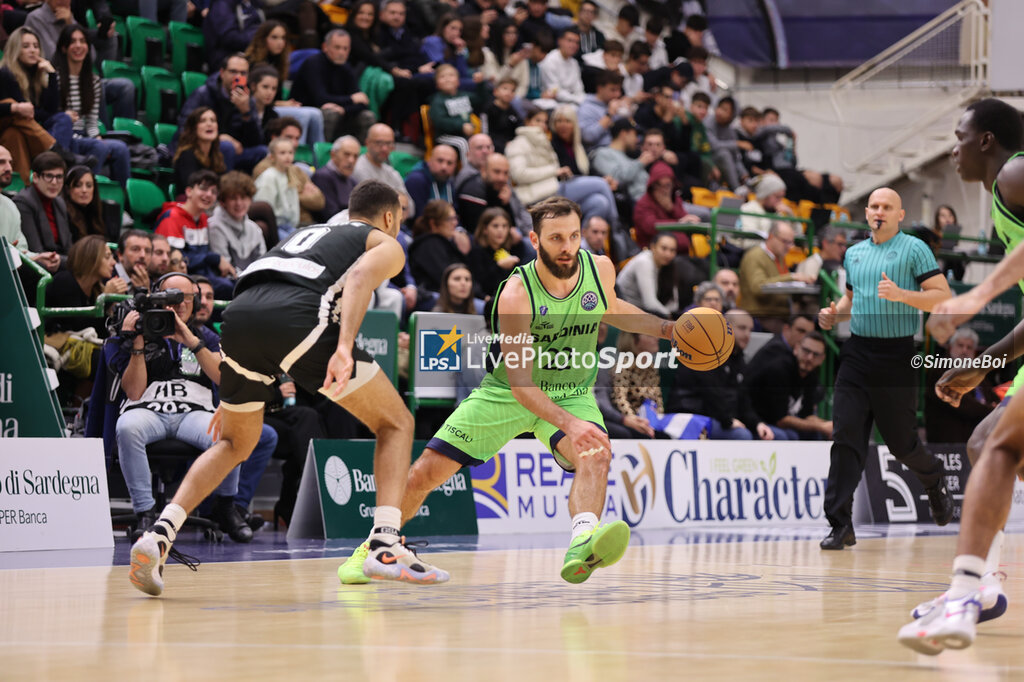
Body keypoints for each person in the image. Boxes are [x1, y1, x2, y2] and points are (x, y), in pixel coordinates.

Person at [129, 180, 450, 597]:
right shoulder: (386, 243)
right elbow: (357, 282)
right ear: (390, 216)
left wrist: (233, 379)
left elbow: (255, 295)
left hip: (240, 320)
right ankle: (386, 544)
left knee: (233, 443)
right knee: (396, 423)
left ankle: (157, 536)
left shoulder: (300, 236)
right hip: (299, 315)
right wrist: (345, 347)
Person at [337, 196, 680, 585]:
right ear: (534, 239)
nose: (567, 247)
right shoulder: (516, 294)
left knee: (597, 452)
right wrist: (570, 424)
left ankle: (583, 541)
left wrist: (668, 329)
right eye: (556, 239)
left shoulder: (598, 268)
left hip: (570, 390)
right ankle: (372, 548)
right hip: (507, 392)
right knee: (423, 476)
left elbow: (611, 306)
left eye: (574, 236)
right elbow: (521, 387)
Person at [898, 98, 1024, 652]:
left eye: (959, 135)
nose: (952, 148)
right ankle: (980, 587)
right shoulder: (1005, 200)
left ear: (986, 141)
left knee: (995, 446)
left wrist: (979, 294)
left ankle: (971, 588)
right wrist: (984, 364)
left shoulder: (1017, 174)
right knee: (988, 443)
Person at [818, 187, 954, 551]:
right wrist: (834, 314)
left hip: (896, 356)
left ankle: (933, 477)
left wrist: (904, 295)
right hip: (857, 353)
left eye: (887, 207)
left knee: (901, 444)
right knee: (845, 436)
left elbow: (943, 296)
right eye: (874, 206)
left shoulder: (914, 249)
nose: (880, 212)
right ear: (866, 213)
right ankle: (840, 524)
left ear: (899, 214)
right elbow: (851, 299)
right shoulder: (854, 254)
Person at [111, 272, 273, 543]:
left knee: (230, 433)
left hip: (193, 412)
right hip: (148, 410)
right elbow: (134, 391)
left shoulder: (204, 335)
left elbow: (223, 379)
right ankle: (146, 513)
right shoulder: (139, 329)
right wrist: (137, 342)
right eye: (170, 296)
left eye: (185, 298)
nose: (178, 304)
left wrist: (192, 342)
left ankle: (225, 506)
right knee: (127, 427)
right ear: (156, 298)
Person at [668, 308, 771, 440]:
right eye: (742, 328)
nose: (747, 335)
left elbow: (743, 400)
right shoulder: (705, 352)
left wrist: (757, 423)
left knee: (772, 434)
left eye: (750, 330)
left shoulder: (738, 359)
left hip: (719, 418)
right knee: (742, 435)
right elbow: (710, 394)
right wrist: (728, 421)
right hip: (692, 416)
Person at [505, 105, 618, 226]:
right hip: (542, 193)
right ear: (527, 121)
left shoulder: (544, 142)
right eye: (538, 120)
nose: (542, 125)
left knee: (599, 203)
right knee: (601, 184)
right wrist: (554, 171)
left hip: (553, 188)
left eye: (544, 122)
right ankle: (617, 227)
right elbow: (519, 174)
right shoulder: (518, 144)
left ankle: (583, 241)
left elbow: (587, 170)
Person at [52, 24, 131, 186]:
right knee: (99, 148)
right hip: (65, 137)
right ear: (64, 48)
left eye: (83, 41)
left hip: (85, 136)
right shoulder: (55, 78)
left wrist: (97, 137)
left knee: (121, 148)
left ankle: (121, 200)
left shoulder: (93, 81)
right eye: (73, 42)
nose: (79, 46)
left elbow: (92, 121)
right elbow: (51, 116)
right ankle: (83, 191)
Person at [155, 170, 238, 299]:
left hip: (203, 276)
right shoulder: (172, 217)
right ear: (189, 191)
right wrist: (214, 258)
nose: (209, 195)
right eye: (203, 189)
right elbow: (174, 261)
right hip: (181, 279)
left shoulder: (203, 218)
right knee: (228, 288)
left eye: (214, 192)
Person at [177, 53, 266, 173]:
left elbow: (254, 141)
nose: (237, 77)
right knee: (226, 147)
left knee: (264, 152)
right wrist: (218, 138)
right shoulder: (203, 94)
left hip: (233, 153)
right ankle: (225, 189)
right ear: (222, 73)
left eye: (243, 73)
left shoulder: (247, 101)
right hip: (202, 151)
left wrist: (246, 113)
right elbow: (185, 129)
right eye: (233, 72)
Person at [244, 19, 325, 144]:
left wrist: (284, 103)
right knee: (302, 115)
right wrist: (282, 103)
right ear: (263, 38)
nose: (280, 42)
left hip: (273, 106)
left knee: (316, 114)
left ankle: (316, 157)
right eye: (274, 37)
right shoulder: (250, 62)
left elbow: (276, 96)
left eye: (283, 38)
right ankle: (292, 154)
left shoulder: (280, 63)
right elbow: (253, 96)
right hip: (258, 107)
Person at [744, 329, 830, 441]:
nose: (810, 358)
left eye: (816, 354)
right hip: (757, 421)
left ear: (822, 359)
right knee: (788, 436)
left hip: (777, 422)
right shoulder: (780, 369)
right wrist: (822, 426)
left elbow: (806, 415)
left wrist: (829, 426)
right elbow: (781, 420)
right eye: (806, 351)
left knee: (815, 434)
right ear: (796, 348)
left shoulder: (811, 375)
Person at [290, 29, 374, 143]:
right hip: (307, 110)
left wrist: (344, 109)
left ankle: (356, 155)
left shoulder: (346, 68)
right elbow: (320, 99)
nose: (341, 52)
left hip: (338, 112)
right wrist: (350, 99)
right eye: (337, 47)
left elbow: (363, 103)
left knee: (367, 116)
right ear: (325, 47)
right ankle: (321, 154)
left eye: (345, 48)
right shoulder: (313, 63)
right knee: (330, 113)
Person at [924, 327, 998, 444]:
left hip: (976, 440)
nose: (964, 350)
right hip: (949, 444)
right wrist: (992, 410)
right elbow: (965, 406)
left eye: (969, 347)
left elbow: (993, 397)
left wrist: (995, 408)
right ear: (951, 347)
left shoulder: (977, 374)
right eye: (960, 345)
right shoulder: (940, 371)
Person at [738, 222, 815, 333]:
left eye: (791, 243)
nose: (789, 247)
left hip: (779, 315)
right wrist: (792, 277)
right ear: (771, 237)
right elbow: (758, 287)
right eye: (785, 242)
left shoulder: (779, 258)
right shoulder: (755, 256)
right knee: (799, 333)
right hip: (762, 316)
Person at [45, 234, 123, 335]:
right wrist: (106, 299)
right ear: (91, 258)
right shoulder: (65, 281)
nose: (113, 263)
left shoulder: (96, 287)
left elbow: (100, 331)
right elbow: (79, 327)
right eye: (107, 257)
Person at [15, 151, 72, 265]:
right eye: (49, 176)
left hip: (60, 264)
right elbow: (35, 250)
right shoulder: (23, 202)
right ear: (35, 177)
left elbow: (68, 247)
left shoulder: (59, 202)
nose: (54, 182)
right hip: (40, 266)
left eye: (59, 177)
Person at [633, 160, 700, 252]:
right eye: (660, 185)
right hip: (655, 253)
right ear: (652, 186)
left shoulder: (675, 199)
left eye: (667, 185)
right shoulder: (643, 204)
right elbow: (651, 227)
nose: (664, 190)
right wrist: (678, 223)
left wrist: (671, 209)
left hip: (681, 252)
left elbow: (684, 218)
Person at [208, 171, 267, 271]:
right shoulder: (215, 227)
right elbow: (227, 271)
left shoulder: (254, 228)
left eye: (243, 198)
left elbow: (263, 263)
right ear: (223, 202)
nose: (239, 203)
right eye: (233, 198)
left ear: (250, 200)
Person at [467, 207, 527, 301]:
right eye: (495, 226)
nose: (500, 230)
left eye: (504, 226)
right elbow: (480, 284)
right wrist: (499, 266)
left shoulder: (511, 250)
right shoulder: (476, 252)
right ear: (485, 229)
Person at [408, 199, 465, 294]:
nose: (455, 223)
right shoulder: (430, 245)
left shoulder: (442, 242)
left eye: (455, 218)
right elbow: (444, 277)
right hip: (439, 297)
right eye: (449, 219)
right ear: (433, 223)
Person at [616, 232, 679, 317]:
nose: (668, 254)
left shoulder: (668, 264)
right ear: (653, 247)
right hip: (624, 312)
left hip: (642, 311)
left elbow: (673, 302)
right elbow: (649, 303)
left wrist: (672, 314)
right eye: (664, 248)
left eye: (672, 250)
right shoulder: (644, 262)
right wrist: (670, 316)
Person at [253, 137, 301, 239]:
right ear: (272, 157)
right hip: (274, 226)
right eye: (282, 153)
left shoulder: (290, 174)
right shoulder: (269, 176)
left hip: (289, 225)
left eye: (290, 152)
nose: (287, 156)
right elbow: (264, 204)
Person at [172, 107, 227, 193]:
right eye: (202, 121)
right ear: (193, 128)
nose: (209, 124)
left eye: (213, 120)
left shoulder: (216, 156)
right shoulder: (187, 155)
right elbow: (191, 188)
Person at [311, 135, 360, 221]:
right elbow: (331, 215)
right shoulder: (322, 177)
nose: (351, 160)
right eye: (346, 154)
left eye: (355, 156)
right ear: (333, 155)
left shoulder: (353, 181)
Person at [404, 144, 457, 220]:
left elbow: (455, 214)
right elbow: (420, 219)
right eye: (440, 161)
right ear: (429, 159)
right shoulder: (416, 180)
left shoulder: (449, 181)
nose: (444, 167)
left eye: (449, 163)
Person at [63, 165, 111, 242]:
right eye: (78, 185)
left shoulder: (102, 211)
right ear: (68, 189)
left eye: (89, 186)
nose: (84, 190)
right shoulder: (63, 214)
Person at [113, 229, 153, 293]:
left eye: (147, 251)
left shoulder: (149, 283)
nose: (143, 255)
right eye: (135, 249)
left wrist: (146, 292)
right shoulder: (105, 277)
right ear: (120, 254)